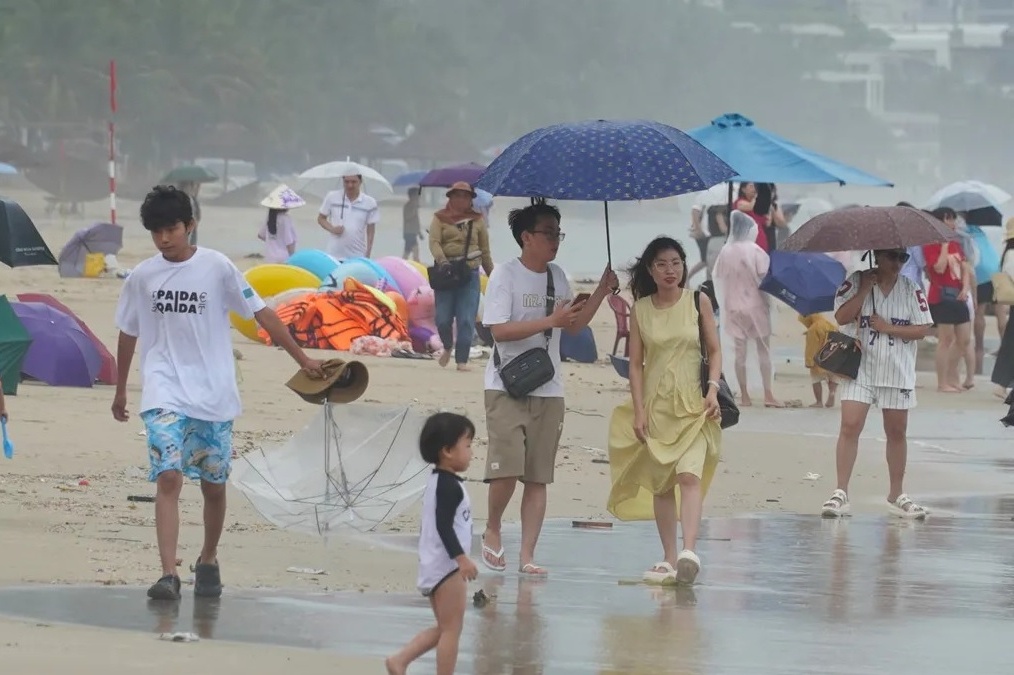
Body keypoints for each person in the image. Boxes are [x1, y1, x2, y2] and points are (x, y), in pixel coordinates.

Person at [112, 186, 325, 602]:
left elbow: (262, 312)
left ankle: (208, 556)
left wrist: (302, 359)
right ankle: (168, 574)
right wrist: (121, 388)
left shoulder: (218, 268)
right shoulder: (142, 277)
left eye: (172, 228)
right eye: (156, 231)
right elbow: (128, 331)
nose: (164, 239)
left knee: (213, 484)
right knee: (168, 476)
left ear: (190, 226)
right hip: (163, 388)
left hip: (213, 392)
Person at [480, 203, 617, 576]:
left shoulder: (557, 276)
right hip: (506, 384)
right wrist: (550, 319)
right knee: (506, 469)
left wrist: (601, 293)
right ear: (526, 237)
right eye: (548, 233)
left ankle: (527, 555)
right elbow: (498, 330)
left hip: (549, 386)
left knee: (538, 475)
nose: (555, 240)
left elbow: (572, 327)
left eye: (558, 233)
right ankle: (492, 528)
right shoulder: (505, 276)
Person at [607, 236, 722, 585]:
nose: (670, 270)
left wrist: (714, 389)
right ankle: (669, 556)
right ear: (650, 270)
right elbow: (637, 365)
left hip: (695, 406)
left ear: (684, 266)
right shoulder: (640, 309)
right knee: (662, 485)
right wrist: (639, 410)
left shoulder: (697, 301)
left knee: (689, 476)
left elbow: (715, 351)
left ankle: (688, 552)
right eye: (661, 264)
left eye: (675, 262)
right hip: (657, 409)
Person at [820, 248, 933, 520]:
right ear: (877, 256)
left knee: (896, 431)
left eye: (902, 258)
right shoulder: (856, 281)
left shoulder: (910, 288)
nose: (897, 263)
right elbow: (841, 317)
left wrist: (888, 328)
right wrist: (863, 290)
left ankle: (897, 493)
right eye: (892, 257)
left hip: (897, 368)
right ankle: (840, 491)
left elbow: (922, 329)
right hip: (861, 367)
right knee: (850, 425)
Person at [385, 412, 478, 675]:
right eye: (468, 445)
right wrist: (461, 559)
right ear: (447, 451)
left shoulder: (439, 481)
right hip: (447, 567)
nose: (471, 452)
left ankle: (400, 661)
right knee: (452, 630)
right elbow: (443, 526)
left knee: (444, 627)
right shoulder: (448, 486)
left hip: (434, 564)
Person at [713, 211, 782, 407]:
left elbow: (720, 276)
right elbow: (764, 277)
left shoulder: (725, 252)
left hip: (733, 307)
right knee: (763, 350)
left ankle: (744, 395)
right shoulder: (756, 251)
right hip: (756, 306)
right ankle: (768, 394)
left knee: (739, 352)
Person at [428, 182, 494, 371]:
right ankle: (448, 346)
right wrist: (442, 261)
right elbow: (434, 243)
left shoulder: (478, 220)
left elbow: (485, 251)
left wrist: (493, 277)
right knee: (442, 319)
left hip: (470, 273)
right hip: (445, 273)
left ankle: (462, 360)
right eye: (457, 196)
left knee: (466, 319)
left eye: (465, 196)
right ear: (450, 197)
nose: (461, 200)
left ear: (471, 200)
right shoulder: (439, 218)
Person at [923, 208, 972, 393]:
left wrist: (966, 287)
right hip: (941, 295)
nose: (953, 223)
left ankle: (953, 375)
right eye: (950, 219)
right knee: (945, 339)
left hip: (958, 294)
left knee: (964, 339)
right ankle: (942, 382)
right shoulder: (930, 244)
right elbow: (939, 267)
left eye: (953, 219)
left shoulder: (955, 242)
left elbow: (965, 266)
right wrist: (943, 245)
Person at [316, 173, 379, 260]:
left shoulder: (370, 203)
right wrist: (332, 229)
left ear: (360, 182)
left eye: (354, 182)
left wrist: (368, 253)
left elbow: (371, 230)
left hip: (357, 255)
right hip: (333, 255)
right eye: (347, 182)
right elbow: (321, 218)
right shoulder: (332, 197)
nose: (350, 185)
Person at [799, 312, 839, 408]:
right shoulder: (829, 324)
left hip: (818, 359)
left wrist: (809, 361)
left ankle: (819, 401)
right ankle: (832, 393)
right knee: (833, 376)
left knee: (816, 379)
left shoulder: (813, 329)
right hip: (831, 356)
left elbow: (811, 347)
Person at [403, 187, 422, 261]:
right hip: (409, 233)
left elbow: (416, 221)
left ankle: (401, 264)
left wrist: (419, 232)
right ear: (412, 196)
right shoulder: (408, 206)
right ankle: (417, 265)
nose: (418, 198)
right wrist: (414, 209)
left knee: (407, 252)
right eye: (417, 196)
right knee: (415, 251)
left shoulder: (414, 206)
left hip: (413, 233)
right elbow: (408, 217)